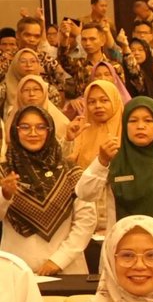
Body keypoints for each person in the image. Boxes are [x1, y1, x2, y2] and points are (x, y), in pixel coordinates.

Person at [75, 97, 153, 273]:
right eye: (133, 121)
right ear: (124, 125)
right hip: (120, 263)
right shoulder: (113, 162)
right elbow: (84, 193)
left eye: (148, 120)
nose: (140, 126)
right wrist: (101, 161)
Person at [2, 106, 96, 273]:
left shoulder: (70, 171)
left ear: (50, 130)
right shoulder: (4, 173)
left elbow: (86, 221)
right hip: (17, 268)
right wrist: (4, 195)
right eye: (25, 127)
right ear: (15, 131)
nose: (33, 133)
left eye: (40, 127)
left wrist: (58, 261)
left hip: (67, 269)